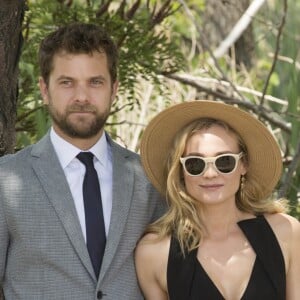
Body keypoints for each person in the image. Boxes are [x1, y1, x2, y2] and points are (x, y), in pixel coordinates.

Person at [0, 23, 164, 299]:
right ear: (44, 89)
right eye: (67, 82)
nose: (81, 97)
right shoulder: (6, 181)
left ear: (114, 89)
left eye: (95, 82)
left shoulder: (148, 179)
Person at [135, 100, 300, 300]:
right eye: (196, 163)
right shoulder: (154, 253)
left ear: (243, 165)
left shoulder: (286, 233)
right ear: (180, 171)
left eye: (225, 161)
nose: (211, 174)